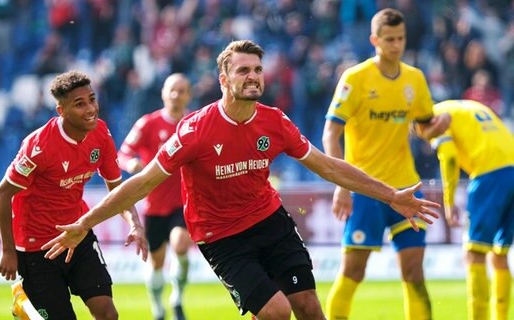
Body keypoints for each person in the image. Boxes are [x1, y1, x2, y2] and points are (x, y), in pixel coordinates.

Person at [41, 40, 440, 320]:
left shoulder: (275, 121)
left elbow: (328, 166)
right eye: (243, 70)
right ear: (223, 79)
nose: (253, 76)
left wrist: (391, 195)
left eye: (258, 70)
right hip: (222, 238)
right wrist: (84, 224)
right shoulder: (195, 131)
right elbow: (142, 181)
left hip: (271, 223)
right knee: (277, 312)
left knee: (309, 310)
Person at [0, 70, 148, 320]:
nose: (90, 109)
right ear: (61, 111)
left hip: (77, 235)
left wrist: (135, 223)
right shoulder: (39, 146)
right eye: (80, 104)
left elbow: (118, 191)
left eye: (92, 99)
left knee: (108, 314)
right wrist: (9, 251)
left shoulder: (101, 133)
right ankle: (24, 304)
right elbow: (2, 194)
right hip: (37, 247)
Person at [321, 8, 445, 320]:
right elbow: (330, 134)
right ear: (374, 39)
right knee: (354, 271)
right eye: (389, 39)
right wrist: (342, 184)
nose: (396, 45)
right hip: (366, 190)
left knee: (414, 273)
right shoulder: (356, 79)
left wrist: (438, 127)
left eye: (400, 38)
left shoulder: (414, 79)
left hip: (406, 185)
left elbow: (424, 127)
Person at [420, 99, 514, 320]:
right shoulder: (465, 106)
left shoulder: (437, 116)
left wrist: (449, 200)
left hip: (488, 176)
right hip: (512, 170)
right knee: (499, 255)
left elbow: (449, 157)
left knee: (474, 254)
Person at [117, 73, 193, 320]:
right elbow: (123, 154)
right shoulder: (147, 123)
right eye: (172, 90)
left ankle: (178, 300)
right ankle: (158, 308)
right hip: (154, 206)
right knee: (157, 263)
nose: (176, 95)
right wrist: (131, 165)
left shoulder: (193, 123)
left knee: (181, 245)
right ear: (163, 93)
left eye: (181, 91)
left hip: (184, 202)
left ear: (188, 96)